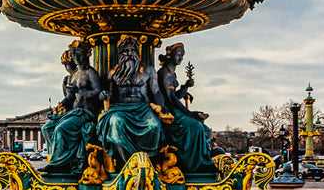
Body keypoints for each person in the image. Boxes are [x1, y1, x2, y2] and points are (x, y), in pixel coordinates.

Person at [92, 35, 165, 181]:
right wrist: (104, 94)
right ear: (120, 53)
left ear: (138, 52)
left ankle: (147, 162)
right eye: (126, 50)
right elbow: (109, 93)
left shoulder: (149, 71)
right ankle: (128, 165)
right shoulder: (113, 72)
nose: (130, 52)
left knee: (154, 126)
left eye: (133, 49)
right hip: (120, 108)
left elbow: (156, 92)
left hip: (142, 108)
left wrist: (162, 108)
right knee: (116, 123)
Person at [44, 41, 106, 178]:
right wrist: (57, 108)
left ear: (86, 55)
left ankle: (58, 163)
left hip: (86, 113)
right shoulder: (75, 74)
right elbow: (71, 97)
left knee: (61, 129)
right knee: (47, 128)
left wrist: (80, 91)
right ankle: (57, 159)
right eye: (73, 55)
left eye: (78, 55)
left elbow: (97, 93)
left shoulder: (90, 73)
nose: (75, 58)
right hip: (74, 112)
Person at [154, 43, 215, 179]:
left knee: (205, 128)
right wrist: (190, 113)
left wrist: (185, 87)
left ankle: (203, 158)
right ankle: (191, 164)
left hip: (173, 108)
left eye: (182, 55)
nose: (181, 58)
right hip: (168, 112)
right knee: (196, 126)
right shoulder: (164, 73)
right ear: (170, 55)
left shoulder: (172, 73)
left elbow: (174, 96)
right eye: (179, 54)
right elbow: (170, 99)